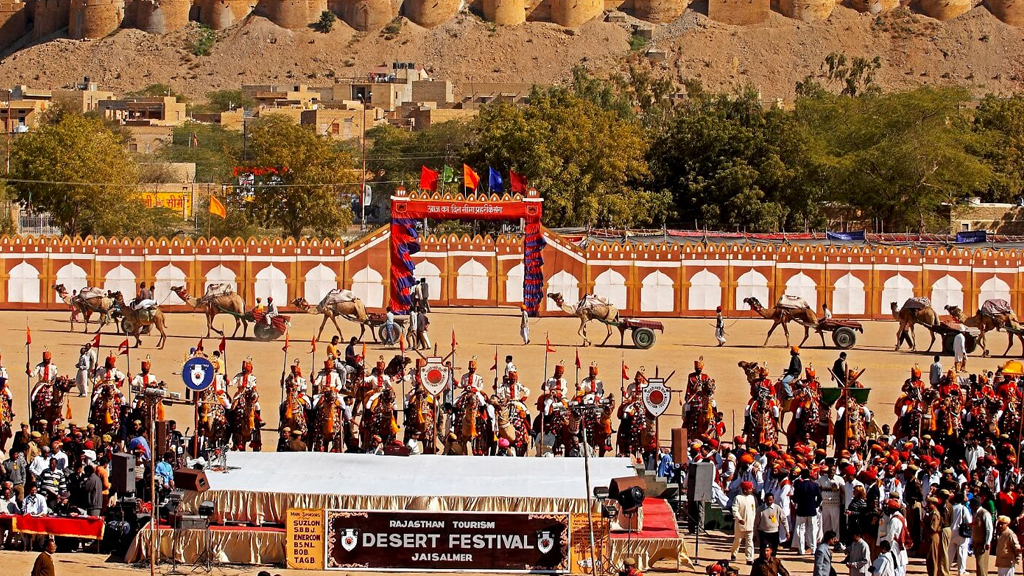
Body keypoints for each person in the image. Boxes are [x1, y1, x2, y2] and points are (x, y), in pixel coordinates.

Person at [793, 468, 822, 555]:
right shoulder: (814, 485)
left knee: (800, 530)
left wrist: (798, 504)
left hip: (801, 510)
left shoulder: (798, 485)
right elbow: (820, 498)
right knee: (812, 530)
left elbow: (795, 498)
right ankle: (813, 549)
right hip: (812, 510)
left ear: (801, 476)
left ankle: (801, 550)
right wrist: (815, 505)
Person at [730, 481, 757, 563]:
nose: (751, 490)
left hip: (750, 524)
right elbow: (735, 510)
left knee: (749, 542)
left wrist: (753, 521)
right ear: (745, 490)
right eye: (749, 489)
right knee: (737, 541)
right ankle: (733, 553)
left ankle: (749, 558)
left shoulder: (752, 498)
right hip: (740, 524)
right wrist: (739, 518)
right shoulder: (738, 498)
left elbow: (753, 510)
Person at [949, 492, 972, 576]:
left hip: (951, 532)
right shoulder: (963, 508)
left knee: (950, 552)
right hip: (961, 533)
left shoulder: (951, 508)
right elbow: (969, 521)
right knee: (962, 551)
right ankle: (961, 571)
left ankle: (946, 568)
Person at [972, 494, 994, 576]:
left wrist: (987, 542)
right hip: (976, 542)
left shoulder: (985, 513)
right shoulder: (976, 513)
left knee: (982, 564)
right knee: (979, 564)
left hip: (982, 543)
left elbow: (989, 529)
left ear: (975, 505)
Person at [925, 497, 945, 576]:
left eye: (929, 503)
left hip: (933, 537)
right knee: (929, 558)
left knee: (933, 558)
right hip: (930, 536)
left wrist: (924, 525)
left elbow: (933, 528)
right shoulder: (931, 512)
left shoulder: (935, 514)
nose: (927, 505)